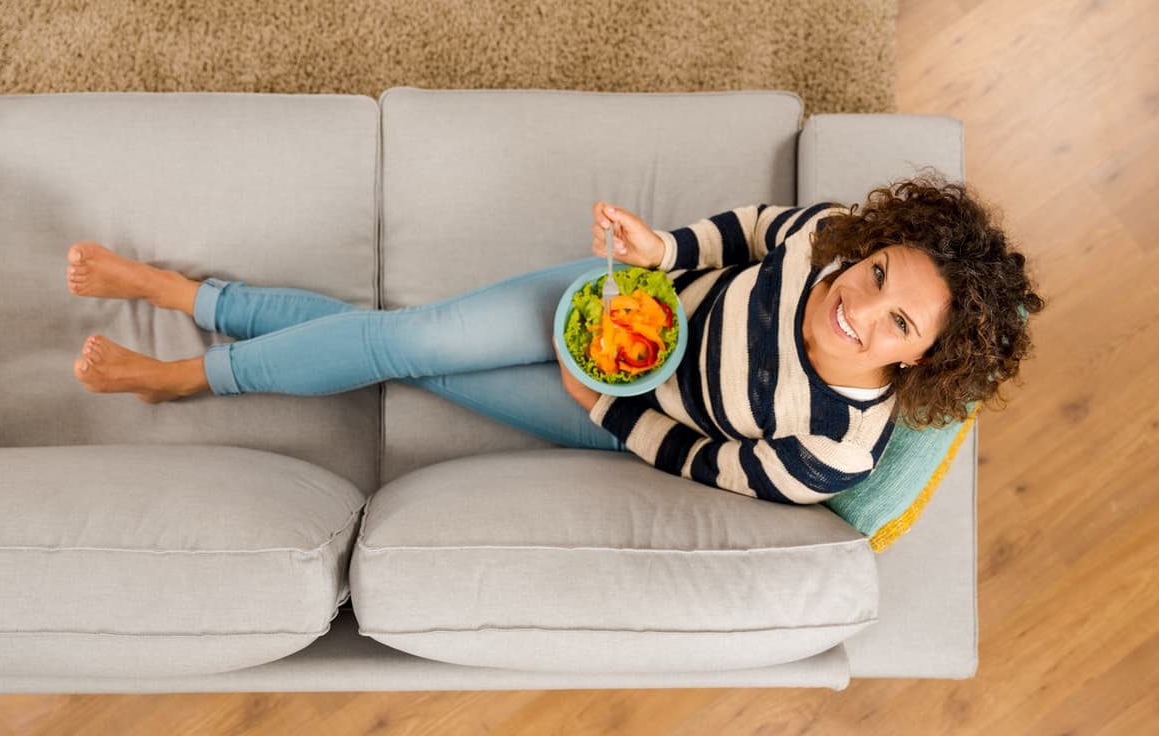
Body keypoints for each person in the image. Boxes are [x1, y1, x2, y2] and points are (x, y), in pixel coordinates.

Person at [69, 175, 1043, 504]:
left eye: (897, 321)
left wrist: (607, 406)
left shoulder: (836, 445)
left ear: (919, 357)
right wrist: (665, 248)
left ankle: (184, 351)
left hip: (617, 410)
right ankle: (184, 331)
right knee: (403, 339)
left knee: (393, 346)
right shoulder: (832, 239)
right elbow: (749, 228)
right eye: (879, 276)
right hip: (605, 305)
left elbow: (710, 463)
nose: (859, 307)